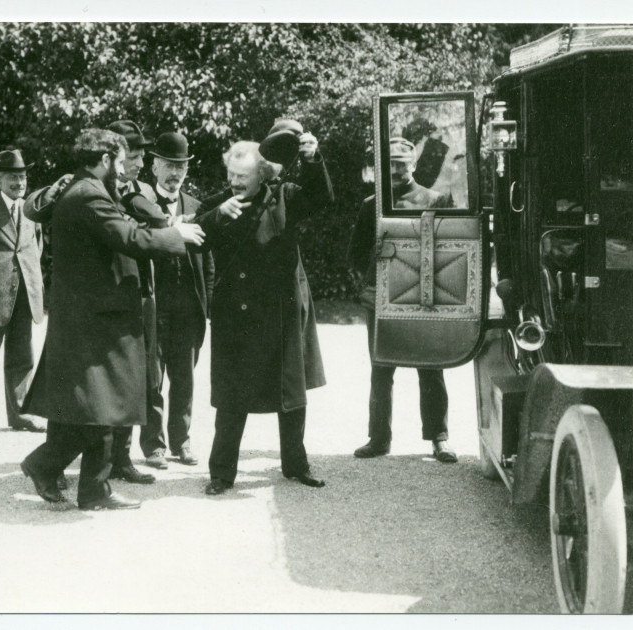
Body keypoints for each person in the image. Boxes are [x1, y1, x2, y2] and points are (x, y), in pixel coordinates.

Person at [19, 128, 205, 510]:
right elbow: (130, 238)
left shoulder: (91, 191)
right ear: (104, 160)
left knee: (101, 407)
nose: (124, 170)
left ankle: (89, 487)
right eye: (120, 162)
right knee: (103, 407)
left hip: (95, 314)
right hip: (94, 317)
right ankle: (51, 467)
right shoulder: (89, 195)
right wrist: (176, 234)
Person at [195, 121, 334, 496]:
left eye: (243, 176)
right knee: (231, 399)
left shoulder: (285, 194)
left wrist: (312, 158)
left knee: (290, 393)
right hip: (236, 314)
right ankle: (221, 474)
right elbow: (193, 238)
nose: (236, 182)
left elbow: (322, 198)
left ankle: (295, 464)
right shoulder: (220, 202)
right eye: (231, 174)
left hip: (280, 310)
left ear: (263, 173)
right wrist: (217, 214)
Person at [347, 137, 457, 463]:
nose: (395, 170)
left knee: (431, 367)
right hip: (382, 298)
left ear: (413, 164)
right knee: (381, 368)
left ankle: (439, 439)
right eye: (390, 164)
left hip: (426, 297)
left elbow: (451, 250)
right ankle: (378, 439)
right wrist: (375, 280)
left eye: (401, 163)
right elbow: (356, 254)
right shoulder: (372, 205)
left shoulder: (436, 200)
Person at [139, 131, 214, 468]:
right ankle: (153, 445)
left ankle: (181, 442)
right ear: (154, 167)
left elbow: (208, 264)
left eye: (181, 167)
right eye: (169, 165)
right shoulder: (139, 205)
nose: (175, 173)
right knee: (151, 378)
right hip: (152, 306)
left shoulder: (197, 208)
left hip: (187, 308)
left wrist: (207, 306)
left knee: (184, 378)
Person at [103, 119, 164, 482]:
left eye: (143, 157)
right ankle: (89, 458)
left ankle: (121, 458)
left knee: (139, 377)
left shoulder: (142, 191)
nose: (140, 164)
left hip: (141, 293)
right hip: (107, 294)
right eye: (135, 157)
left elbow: (158, 226)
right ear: (115, 156)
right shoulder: (96, 190)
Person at [0, 149, 47, 436]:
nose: (19, 182)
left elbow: (35, 249)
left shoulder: (31, 210)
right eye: (13, 177)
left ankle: (20, 414)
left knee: (22, 356)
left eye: (23, 176)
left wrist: (31, 281)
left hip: (26, 295)